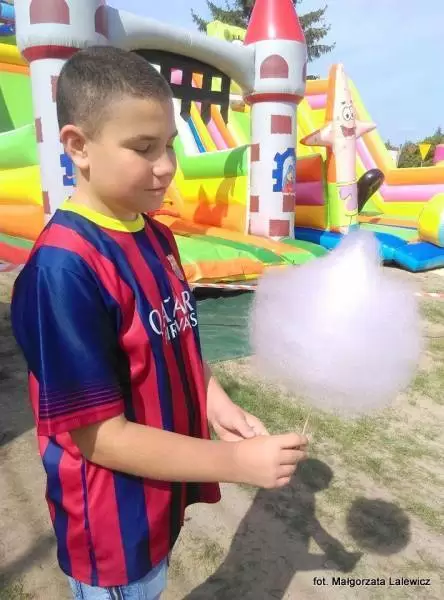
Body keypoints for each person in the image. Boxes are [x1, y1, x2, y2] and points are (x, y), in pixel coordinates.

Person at [11, 46, 308, 600]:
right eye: (143, 147)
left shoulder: (157, 236)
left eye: (169, 144)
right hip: (111, 524)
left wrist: (217, 405)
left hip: (158, 496)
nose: (167, 165)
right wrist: (234, 462)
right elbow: (100, 438)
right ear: (78, 146)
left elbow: (176, 341)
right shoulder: (64, 271)